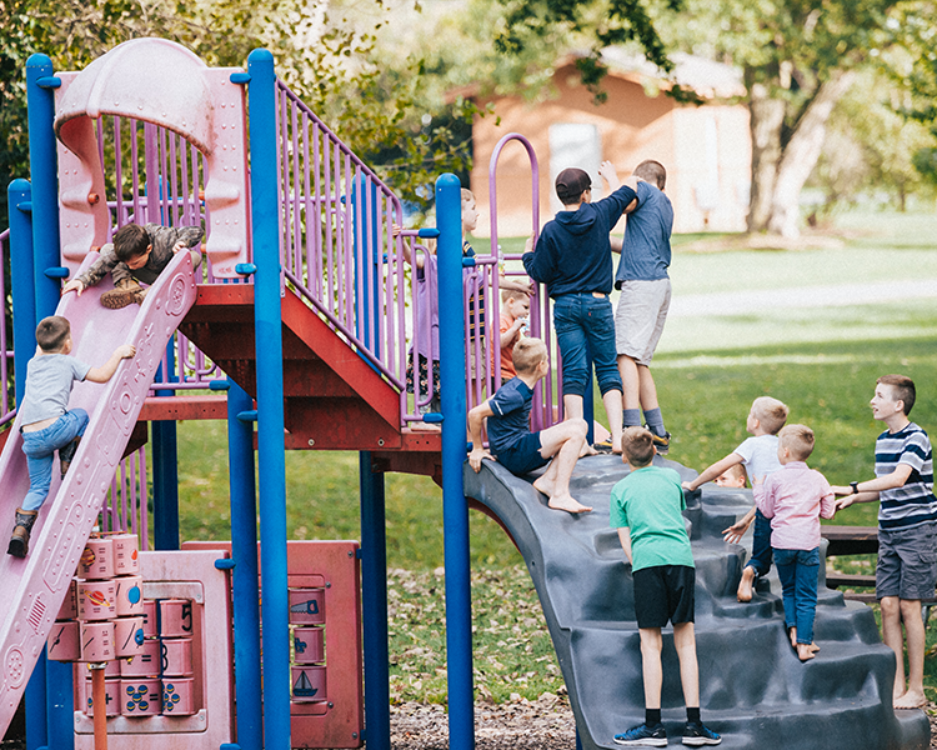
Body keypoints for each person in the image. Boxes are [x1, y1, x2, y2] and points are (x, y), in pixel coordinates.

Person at [611, 427, 721, 747]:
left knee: (651, 645)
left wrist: (638, 560)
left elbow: (625, 536)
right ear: (655, 452)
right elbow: (677, 509)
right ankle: (694, 725)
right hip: (680, 560)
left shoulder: (620, 489)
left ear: (623, 456)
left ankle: (653, 726)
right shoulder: (672, 478)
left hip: (647, 563)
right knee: (686, 643)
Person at [832, 375, 937, 709]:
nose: (872, 401)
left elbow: (899, 478)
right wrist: (855, 498)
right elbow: (885, 489)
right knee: (889, 605)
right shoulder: (883, 439)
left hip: (917, 531)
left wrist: (851, 488)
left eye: (878, 396)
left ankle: (917, 689)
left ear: (898, 404)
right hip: (889, 530)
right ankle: (896, 687)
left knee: (909, 605)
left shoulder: (916, 438)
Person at [522, 166, 639, 454]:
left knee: (574, 374)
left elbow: (541, 272)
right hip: (598, 302)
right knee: (608, 369)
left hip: (566, 306)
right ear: (586, 193)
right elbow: (629, 190)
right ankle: (617, 437)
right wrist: (611, 176)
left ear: (561, 197)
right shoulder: (600, 215)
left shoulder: (551, 230)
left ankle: (579, 441)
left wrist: (528, 254)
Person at [7, 316, 136, 558]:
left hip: (31, 439)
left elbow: (43, 346)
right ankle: (67, 460)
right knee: (80, 415)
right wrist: (118, 353)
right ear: (67, 344)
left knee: (38, 487)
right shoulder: (68, 363)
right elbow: (102, 375)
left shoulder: (33, 364)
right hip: (56, 430)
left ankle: (20, 530)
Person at [682, 396, 790, 602]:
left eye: (751, 414)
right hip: (790, 510)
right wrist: (747, 519)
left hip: (766, 512)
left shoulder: (752, 445)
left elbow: (719, 467)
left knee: (761, 558)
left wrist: (694, 484)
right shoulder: (782, 448)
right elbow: (776, 491)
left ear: (755, 422)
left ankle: (750, 571)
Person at [468, 338, 591, 514]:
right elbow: (475, 413)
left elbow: (490, 407)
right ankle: (560, 495)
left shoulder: (516, 386)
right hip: (514, 454)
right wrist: (478, 449)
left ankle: (548, 481)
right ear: (541, 366)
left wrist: (496, 442)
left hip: (515, 448)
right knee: (578, 427)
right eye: (547, 360)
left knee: (577, 428)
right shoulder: (515, 394)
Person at [602, 160, 674, 453]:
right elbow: (635, 243)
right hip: (660, 285)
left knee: (623, 354)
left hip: (641, 284)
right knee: (639, 360)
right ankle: (656, 430)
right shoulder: (665, 203)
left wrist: (613, 180)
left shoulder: (641, 189)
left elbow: (623, 203)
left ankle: (630, 428)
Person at [752, 424, 835, 662]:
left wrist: (758, 486)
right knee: (807, 595)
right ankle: (805, 644)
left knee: (788, 590)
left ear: (786, 452)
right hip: (808, 544)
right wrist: (825, 499)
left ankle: (794, 631)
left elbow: (766, 511)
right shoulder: (818, 478)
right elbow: (828, 512)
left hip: (782, 544)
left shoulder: (775, 479)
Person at [62, 222, 203, 309]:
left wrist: (183, 242)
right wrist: (81, 280)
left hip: (167, 276)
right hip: (147, 274)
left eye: (135, 262)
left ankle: (156, 290)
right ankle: (128, 286)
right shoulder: (128, 252)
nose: (131, 267)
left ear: (148, 249)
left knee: (192, 256)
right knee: (107, 249)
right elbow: (103, 263)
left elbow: (196, 230)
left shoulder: (163, 240)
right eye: (127, 263)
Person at [494, 289, 530, 384]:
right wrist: (514, 329)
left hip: (510, 373)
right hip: (500, 374)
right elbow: (499, 343)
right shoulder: (501, 320)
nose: (528, 312)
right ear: (511, 302)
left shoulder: (513, 321)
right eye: (525, 307)